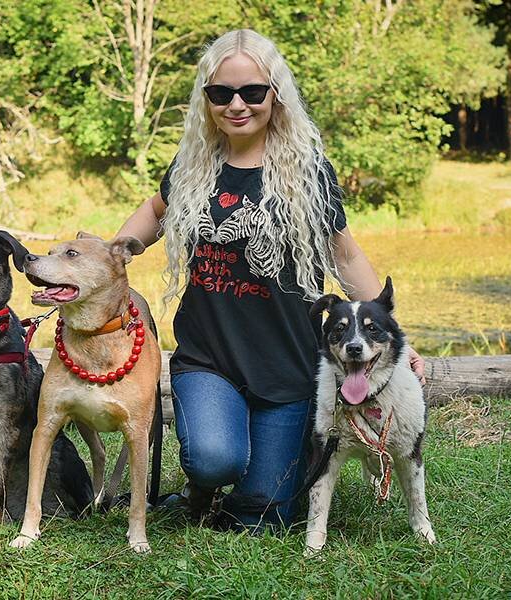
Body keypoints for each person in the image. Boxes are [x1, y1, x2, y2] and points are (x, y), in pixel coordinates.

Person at [116, 29, 425, 532]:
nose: (236, 105)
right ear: (207, 99)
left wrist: (392, 335)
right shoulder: (193, 166)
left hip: (288, 369)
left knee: (266, 516)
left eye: (252, 92)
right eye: (221, 93)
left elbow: (345, 255)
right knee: (215, 459)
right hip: (209, 358)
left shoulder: (308, 172)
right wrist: (110, 256)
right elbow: (155, 212)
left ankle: (253, 480)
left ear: (275, 94)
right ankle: (205, 481)